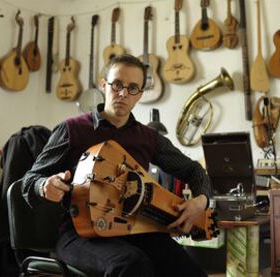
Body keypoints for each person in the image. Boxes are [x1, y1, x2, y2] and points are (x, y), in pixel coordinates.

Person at [22, 54, 211, 277]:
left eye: (132, 88)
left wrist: (201, 200)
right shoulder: (72, 130)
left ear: (140, 94)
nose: (122, 94)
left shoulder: (149, 138)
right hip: (80, 234)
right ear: (104, 85)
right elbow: (29, 180)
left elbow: (195, 171)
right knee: (131, 264)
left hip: (135, 230)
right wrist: (44, 185)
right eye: (117, 85)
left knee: (187, 269)